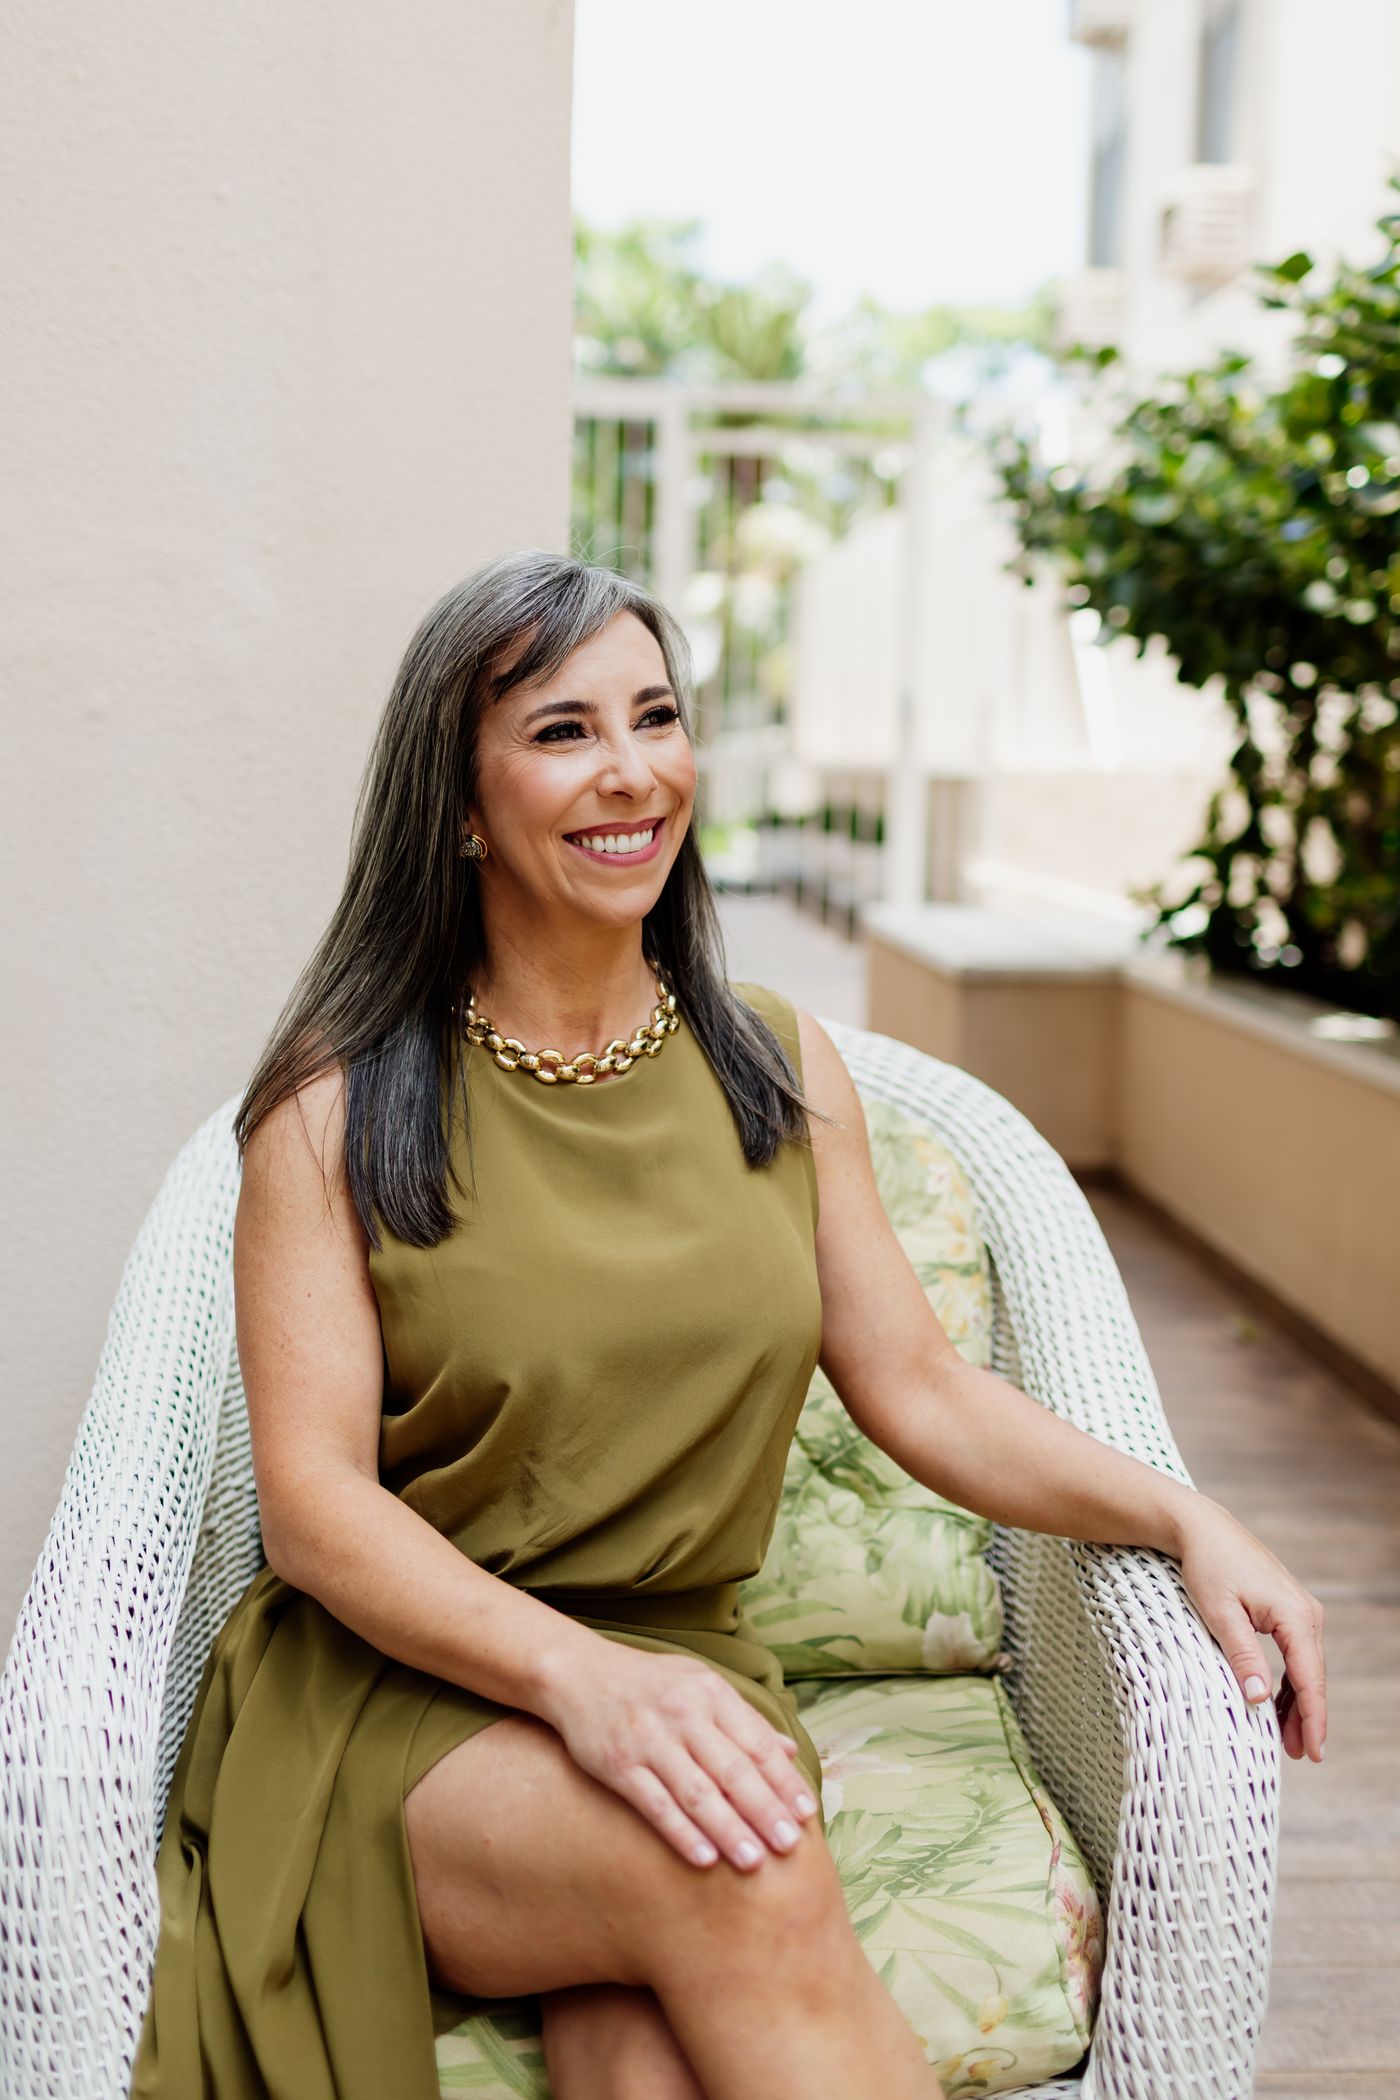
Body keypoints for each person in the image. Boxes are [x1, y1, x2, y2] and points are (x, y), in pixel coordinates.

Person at [129, 548, 1327, 2100]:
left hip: (683, 1676)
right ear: (462, 803)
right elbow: (313, 1510)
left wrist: (1183, 1515)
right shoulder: (335, 1102)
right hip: (398, 1694)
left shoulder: (774, 1067)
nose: (632, 771)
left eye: (657, 716)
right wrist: (586, 1684)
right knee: (736, 1865)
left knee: (654, 2069)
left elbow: (923, 1388)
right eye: (562, 731)